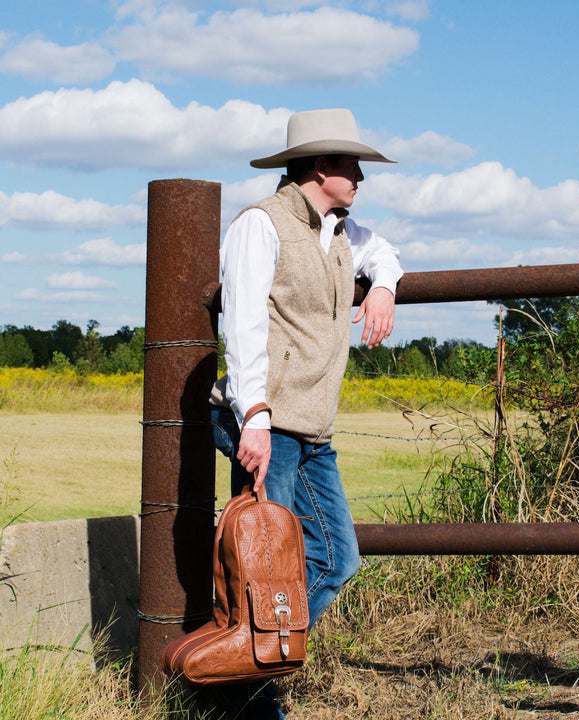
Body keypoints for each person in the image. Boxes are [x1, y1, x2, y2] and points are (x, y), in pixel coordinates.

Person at [209, 108, 403, 718]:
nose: (361, 179)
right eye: (353, 166)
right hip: (268, 423)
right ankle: (245, 692)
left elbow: (387, 254)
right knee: (268, 572)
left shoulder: (343, 233)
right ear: (320, 168)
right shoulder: (259, 226)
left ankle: (239, 660)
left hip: (311, 428)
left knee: (336, 560)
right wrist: (256, 417)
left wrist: (384, 288)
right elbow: (240, 328)